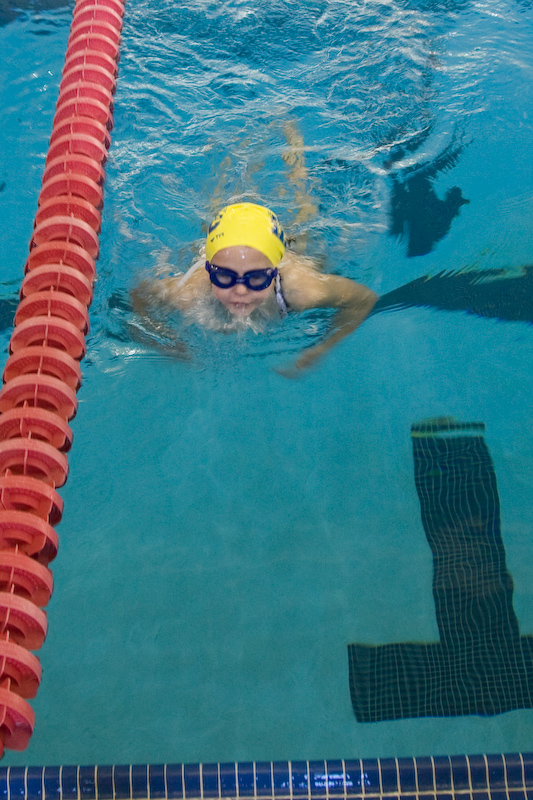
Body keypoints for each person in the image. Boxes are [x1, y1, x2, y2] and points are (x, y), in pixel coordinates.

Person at [132, 201, 377, 375]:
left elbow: (364, 299)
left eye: (257, 278)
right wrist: (168, 344)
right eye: (224, 276)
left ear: (274, 273)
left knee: (303, 213)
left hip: (297, 249)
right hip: (228, 245)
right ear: (208, 270)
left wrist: (323, 346)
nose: (240, 291)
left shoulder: (302, 290)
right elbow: (140, 295)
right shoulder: (188, 292)